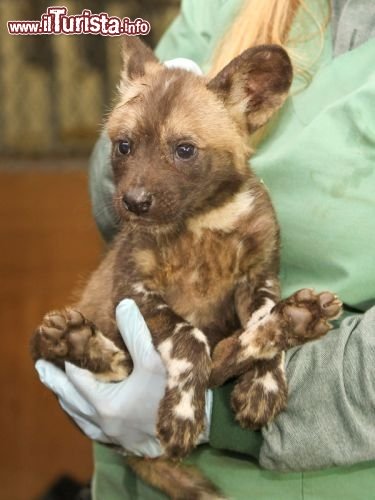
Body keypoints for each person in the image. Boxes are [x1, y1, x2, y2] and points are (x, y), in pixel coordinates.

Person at [35, 0, 375, 498]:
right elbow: (114, 206)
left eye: (186, 150)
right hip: (127, 475)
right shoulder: (224, 6)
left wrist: (214, 411)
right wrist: (135, 150)